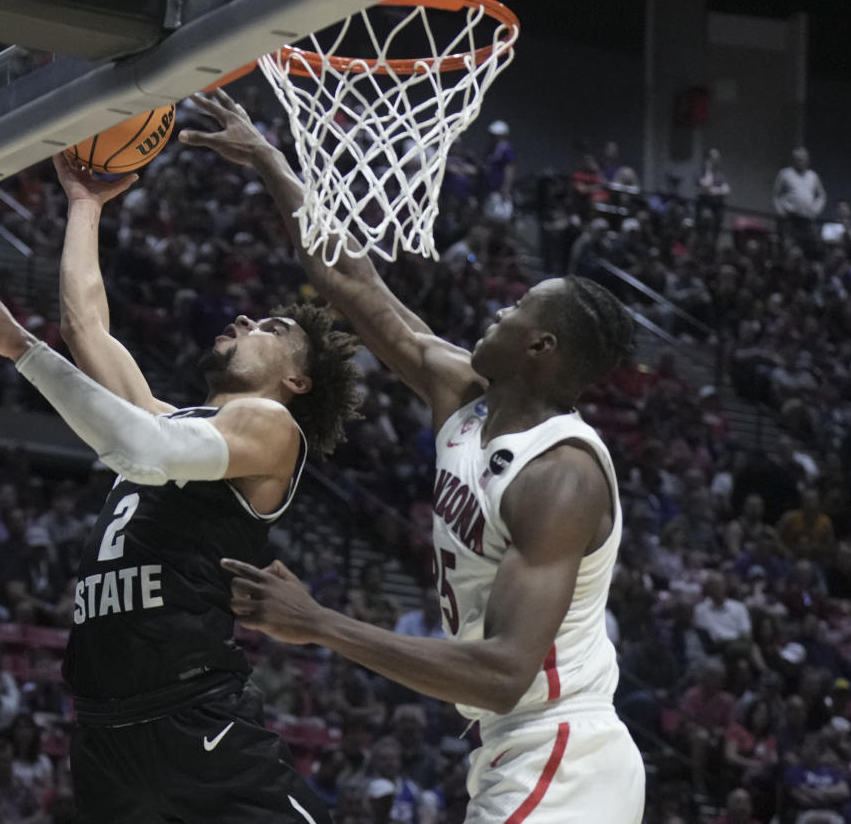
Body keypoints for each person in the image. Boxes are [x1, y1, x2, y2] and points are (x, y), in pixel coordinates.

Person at [185, 89, 645, 822]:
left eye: (517, 307)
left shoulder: (560, 476)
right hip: (513, 743)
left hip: (563, 750)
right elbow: (355, 284)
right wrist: (271, 162)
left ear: (540, 347)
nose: (500, 309)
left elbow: (501, 672)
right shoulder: (462, 394)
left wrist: (318, 623)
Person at [0, 142, 361, 823]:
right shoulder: (175, 420)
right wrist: (84, 205)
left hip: (195, 722)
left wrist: (19, 348)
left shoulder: (273, 427)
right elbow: (86, 326)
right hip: (105, 732)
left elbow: (139, 450)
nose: (244, 320)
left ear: (297, 380)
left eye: (269, 327)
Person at [773, 147, 826, 255]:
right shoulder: (785, 174)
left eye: (802, 159)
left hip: (807, 219)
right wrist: (780, 211)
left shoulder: (813, 176)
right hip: (790, 219)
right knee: (789, 249)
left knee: (813, 249)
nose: (799, 161)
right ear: (793, 160)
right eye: (797, 159)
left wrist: (815, 210)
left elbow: (821, 195)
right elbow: (776, 195)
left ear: (807, 160)